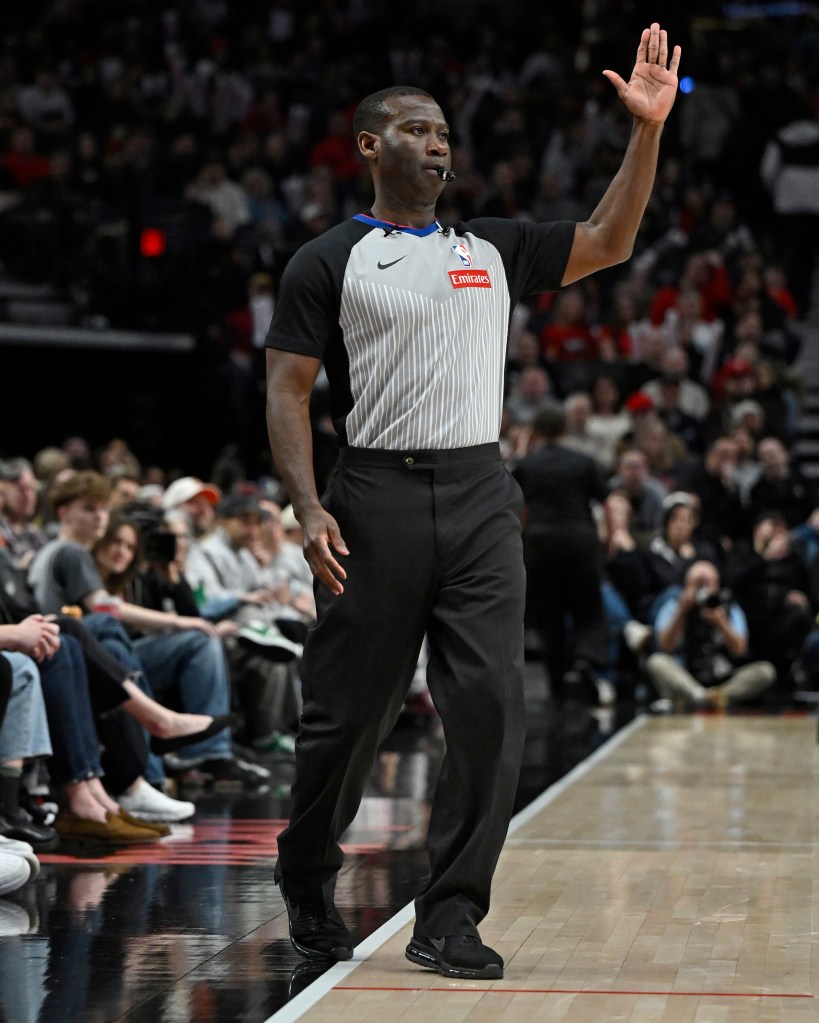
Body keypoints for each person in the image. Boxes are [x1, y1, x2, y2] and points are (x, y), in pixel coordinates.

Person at [265, 24, 681, 981]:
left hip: (481, 489)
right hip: (372, 494)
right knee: (349, 714)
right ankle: (307, 870)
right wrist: (303, 504)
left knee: (493, 703)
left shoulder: (492, 247)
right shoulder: (328, 259)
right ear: (370, 146)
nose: (439, 143)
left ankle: (448, 912)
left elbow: (612, 239)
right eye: (416, 129)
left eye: (445, 131)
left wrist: (646, 132)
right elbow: (287, 390)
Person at [513, 405, 610, 702]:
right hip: (579, 540)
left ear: (537, 431)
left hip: (540, 543)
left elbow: (512, 502)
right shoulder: (583, 462)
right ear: (565, 430)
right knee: (589, 608)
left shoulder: (529, 464)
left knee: (547, 613)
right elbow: (607, 500)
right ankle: (585, 659)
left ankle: (555, 679)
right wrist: (613, 535)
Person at [646, 560, 777, 711]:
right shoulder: (674, 605)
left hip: (723, 677)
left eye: (707, 583)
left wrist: (720, 622)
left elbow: (740, 650)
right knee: (656, 661)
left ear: (717, 585)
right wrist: (681, 612)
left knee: (766, 671)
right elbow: (665, 646)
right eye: (697, 584)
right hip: (687, 676)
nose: (703, 590)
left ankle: (717, 696)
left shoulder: (729, 606)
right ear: (687, 585)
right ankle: (700, 696)